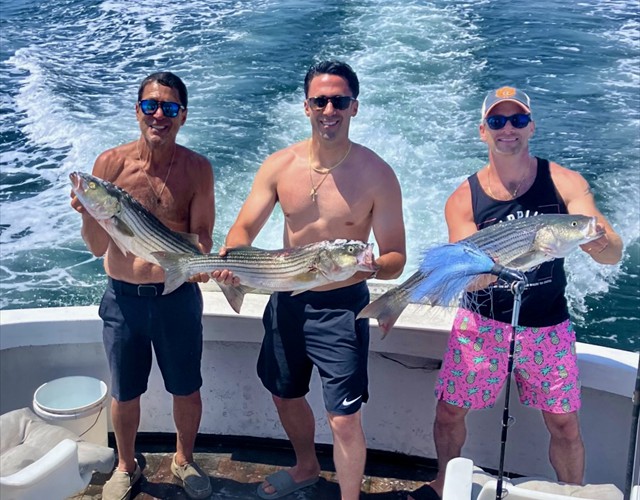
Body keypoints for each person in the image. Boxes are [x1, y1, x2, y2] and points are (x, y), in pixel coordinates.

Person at [411, 86, 623, 500]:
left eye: (518, 119)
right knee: (449, 412)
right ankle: (443, 483)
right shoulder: (463, 198)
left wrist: (599, 242)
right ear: (483, 131)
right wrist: (490, 269)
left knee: (564, 423)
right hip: (482, 324)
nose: (508, 128)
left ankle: (571, 494)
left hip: (547, 324)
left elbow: (611, 252)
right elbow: (464, 278)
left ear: (531, 127)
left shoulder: (564, 181)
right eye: (497, 121)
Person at [212, 60, 406, 500]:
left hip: (342, 309)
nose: (329, 110)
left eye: (339, 101)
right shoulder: (279, 166)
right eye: (320, 101)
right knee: (285, 394)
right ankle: (305, 466)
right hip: (287, 299)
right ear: (306, 107)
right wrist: (234, 261)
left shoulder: (377, 175)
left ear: (354, 106)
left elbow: (396, 256)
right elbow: (242, 231)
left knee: (344, 418)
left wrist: (372, 266)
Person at [70, 71, 214, 500]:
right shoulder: (110, 165)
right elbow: (97, 247)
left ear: (183, 116)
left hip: (177, 298)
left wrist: (200, 264)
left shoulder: (197, 169)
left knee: (186, 388)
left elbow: (203, 237)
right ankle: (126, 466)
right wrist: (89, 211)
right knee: (125, 392)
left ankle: (183, 459)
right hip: (123, 299)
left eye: (169, 108)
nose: (158, 115)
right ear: (137, 111)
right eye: (150, 105)